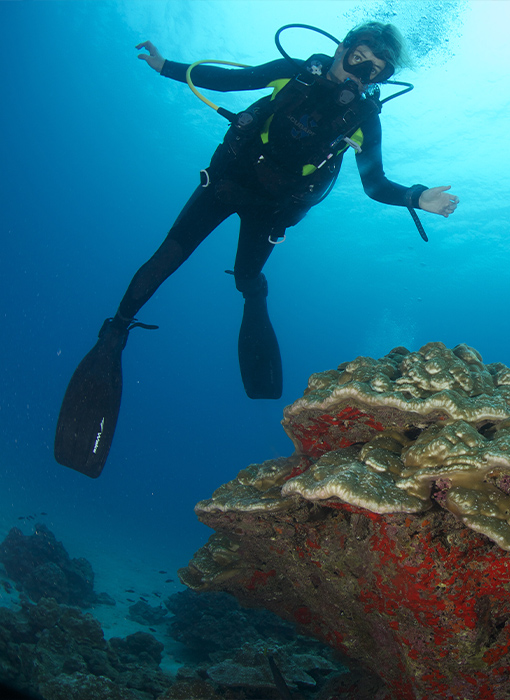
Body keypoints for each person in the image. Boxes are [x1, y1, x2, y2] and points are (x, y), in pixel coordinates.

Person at [55, 22, 459, 478]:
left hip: (273, 209)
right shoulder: (294, 72)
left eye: (375, 73)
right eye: (358, 61)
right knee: (167, 257)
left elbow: (375, 183)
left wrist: (416, 197)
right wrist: (166, 66)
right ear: (342, 48)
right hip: (226, 183)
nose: (360, 76)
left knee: (247, 277)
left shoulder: (364, 118)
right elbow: (230, 80)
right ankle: (114, 334)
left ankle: (254, 296)